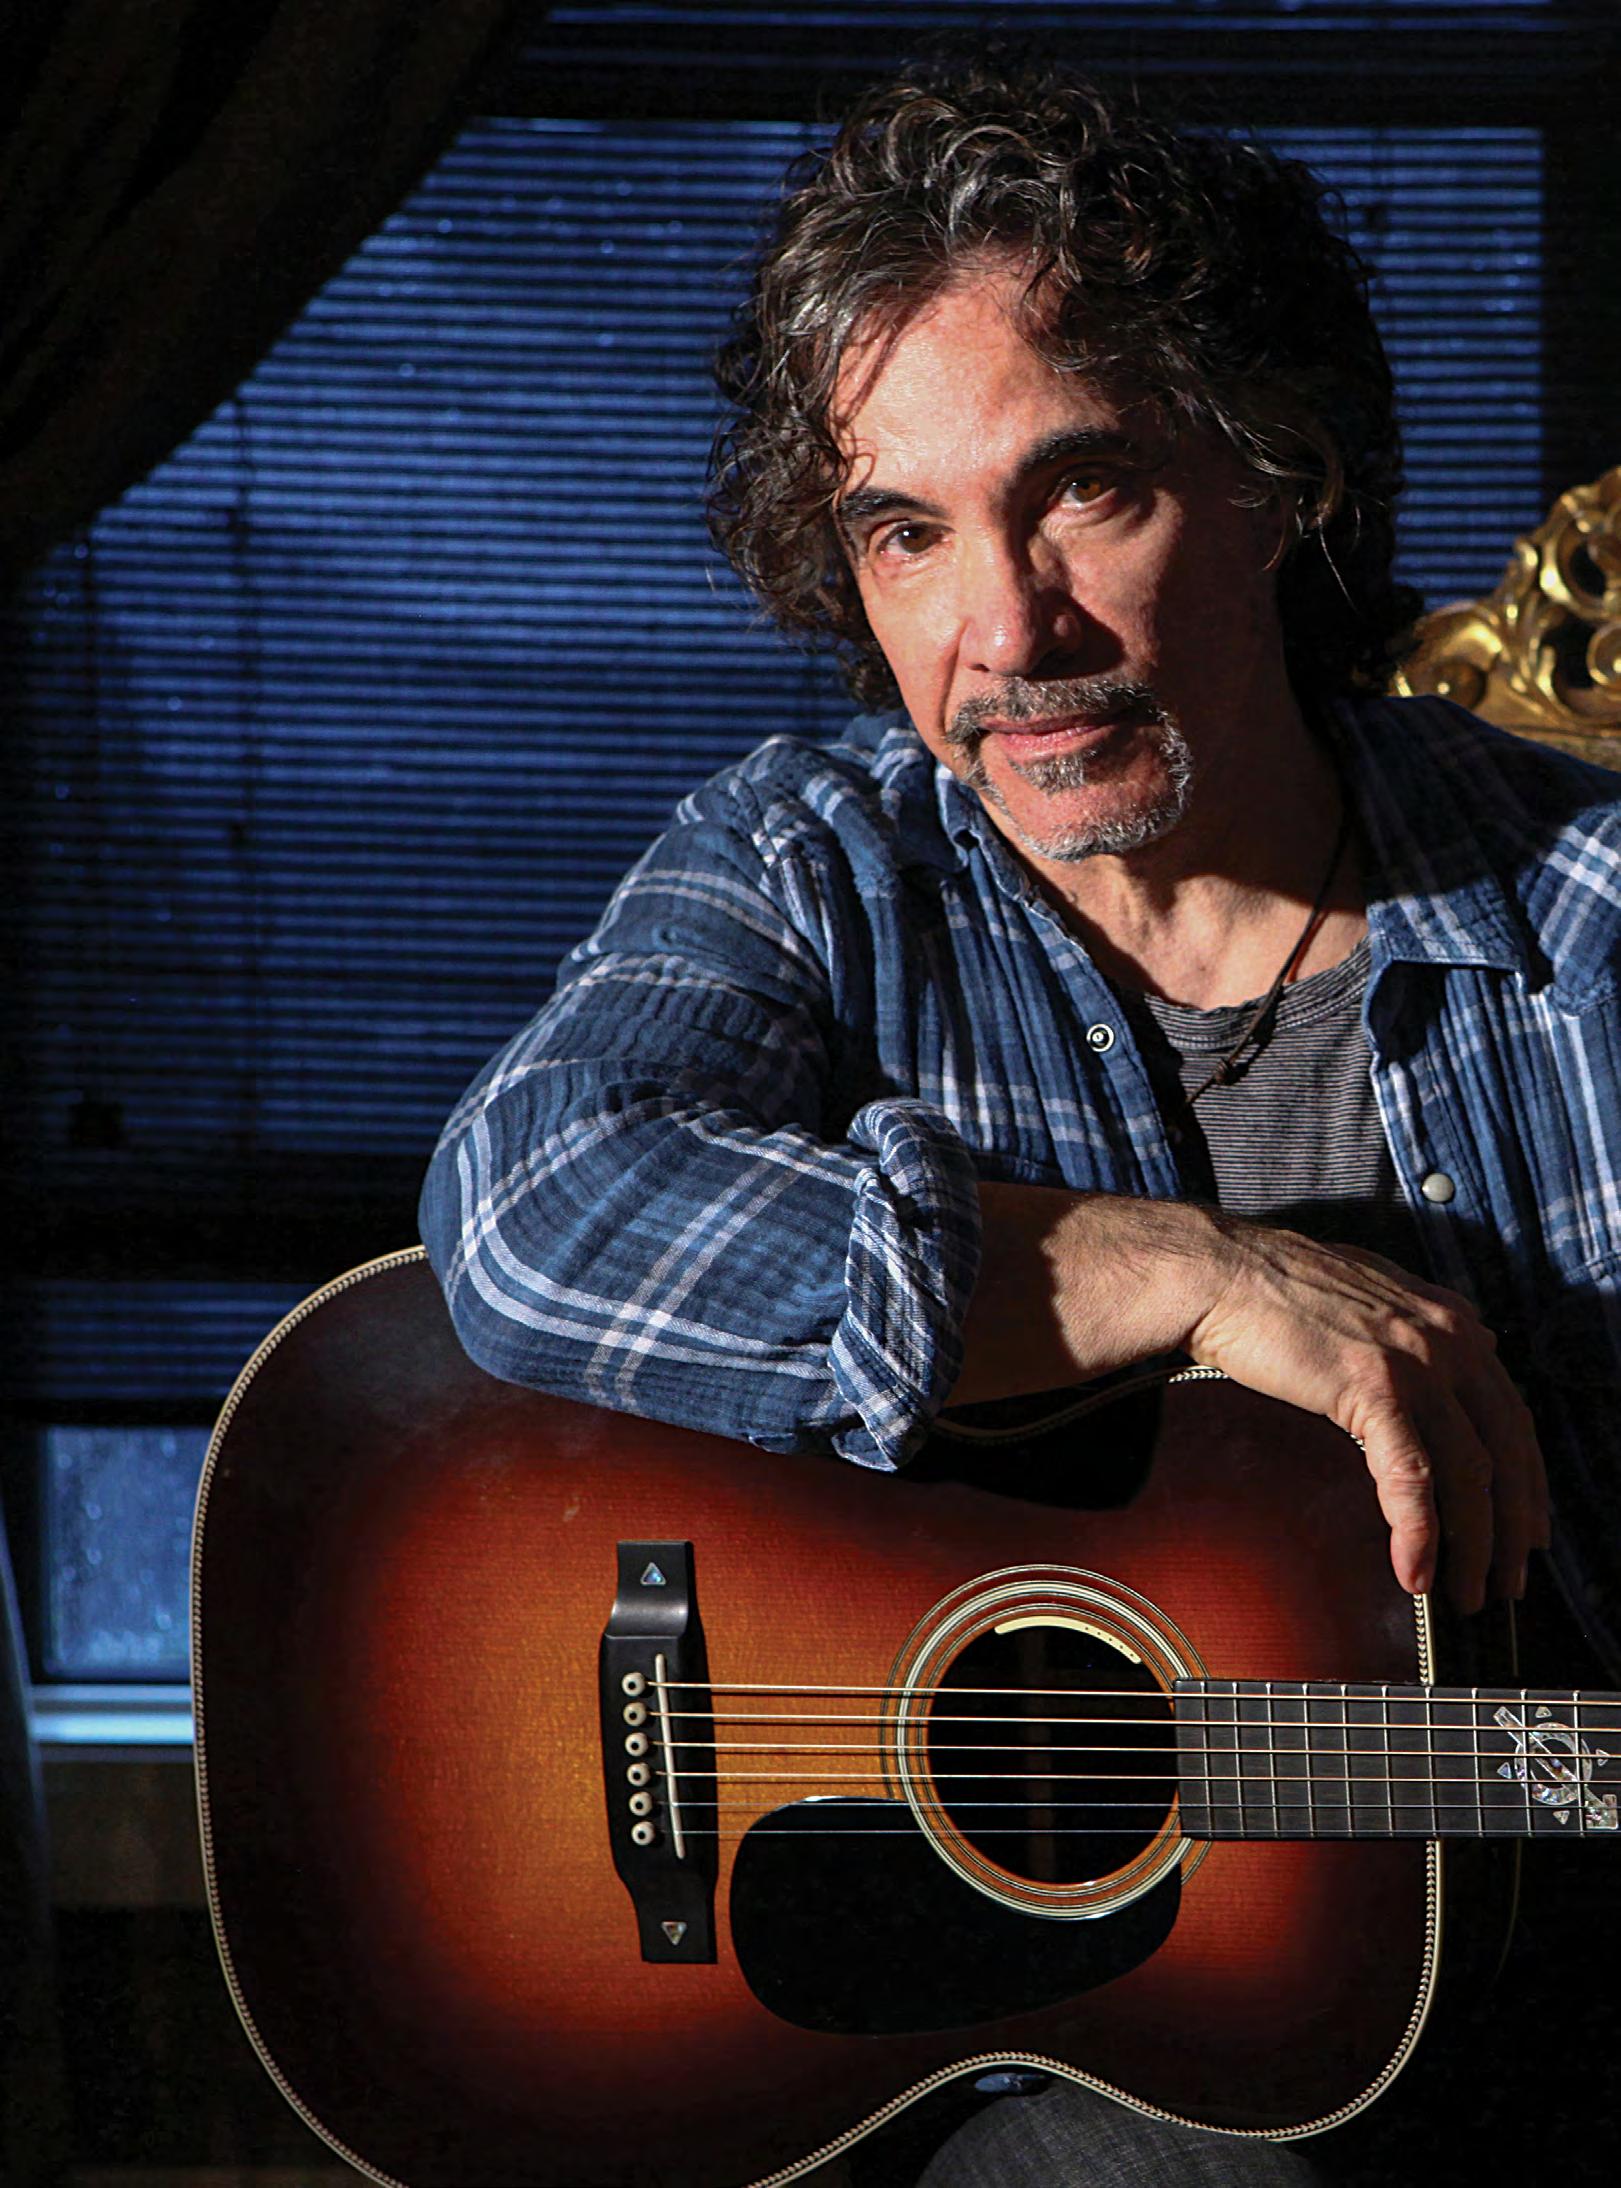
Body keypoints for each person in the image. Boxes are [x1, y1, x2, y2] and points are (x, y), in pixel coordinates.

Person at [420, 52, 1620, 2185]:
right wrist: (1180, 1276)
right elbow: (530, 1212)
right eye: (905, 532)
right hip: (1015, 2045)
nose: (1004, 634)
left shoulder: (1589, 923)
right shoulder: (812, 865)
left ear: (1279, 479)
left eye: (1083, 490)